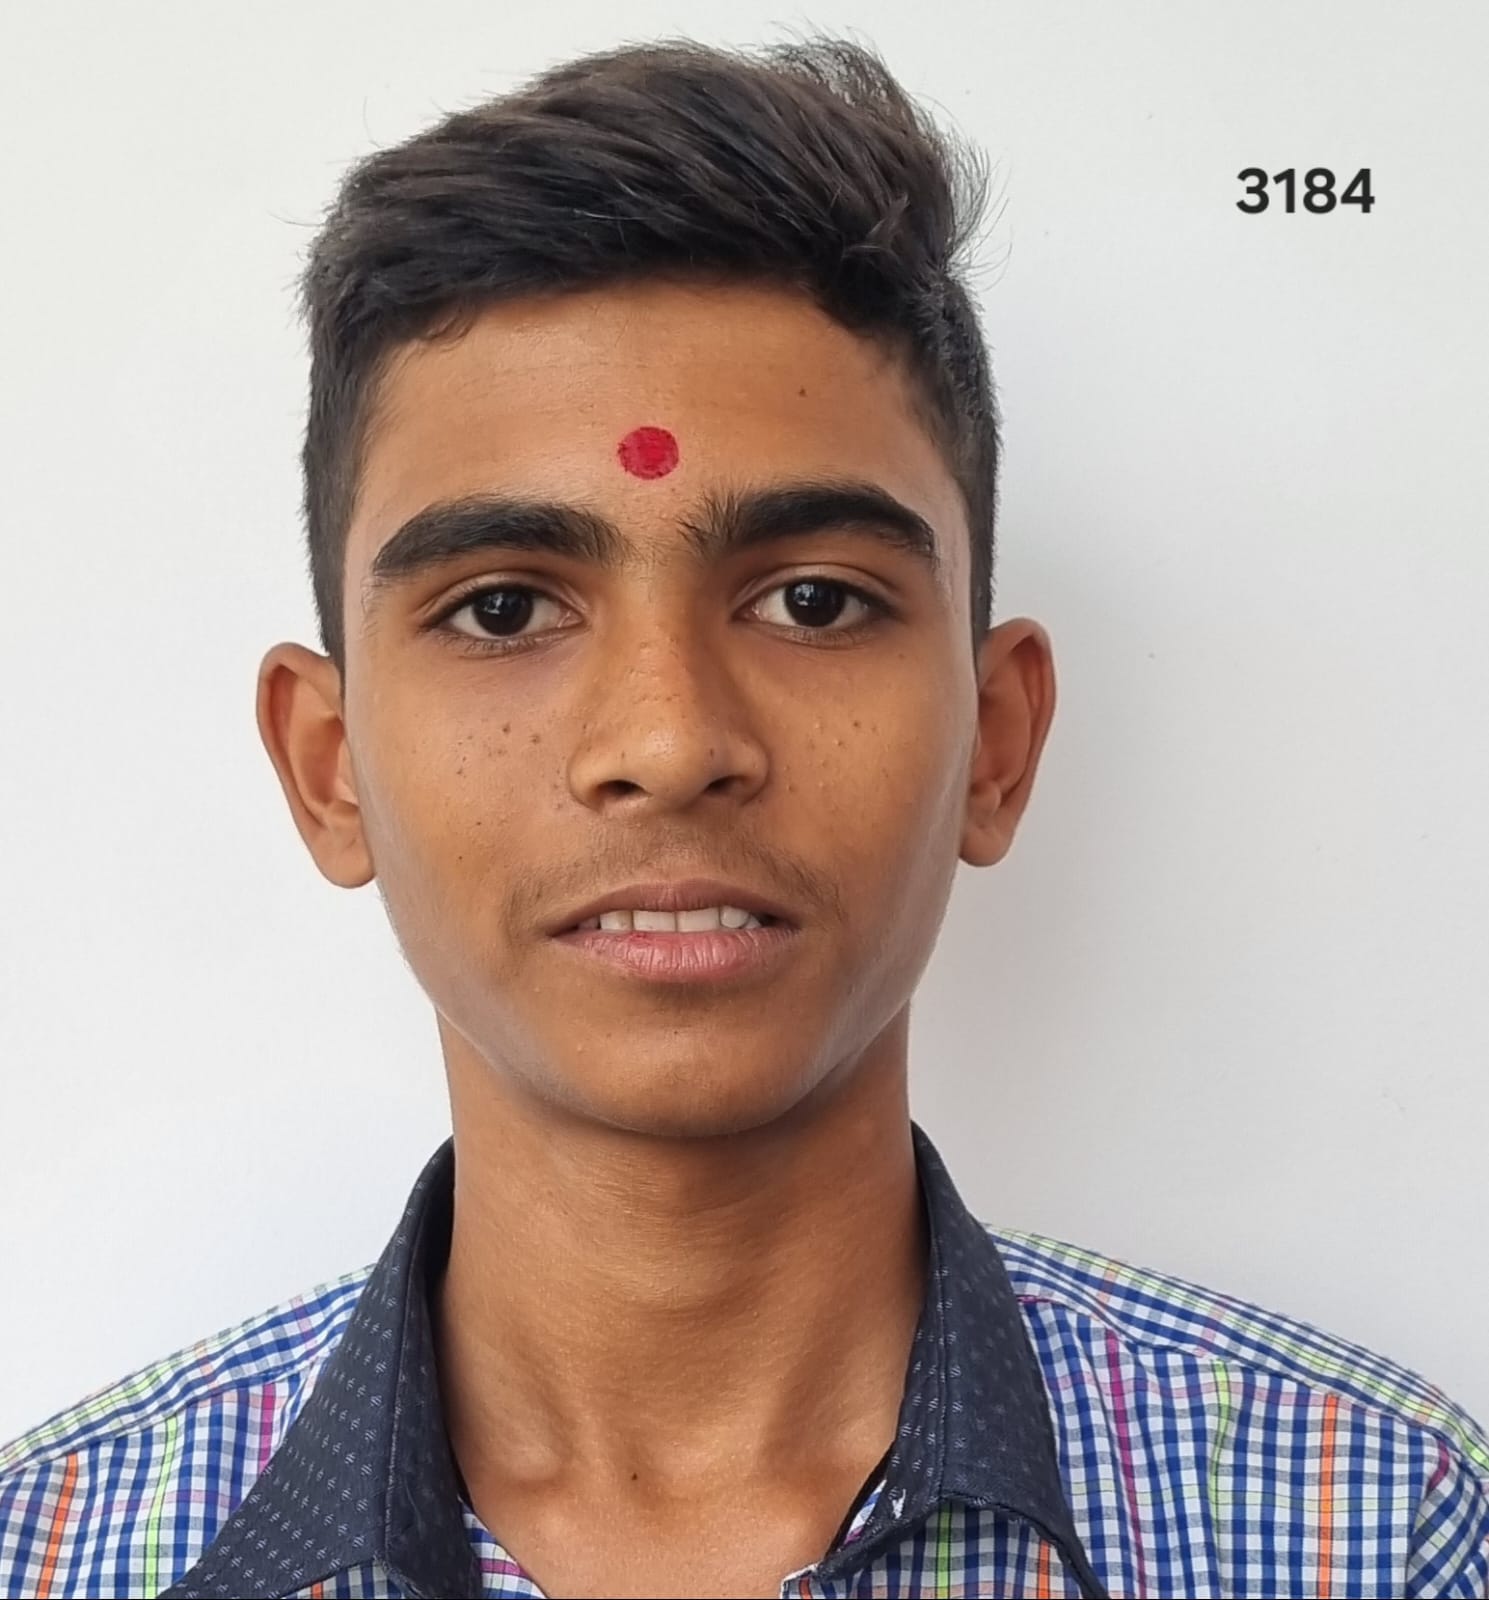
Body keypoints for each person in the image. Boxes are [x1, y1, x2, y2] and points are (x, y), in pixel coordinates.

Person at [1, 30, 1485, 1600]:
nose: (667, 742)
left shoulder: (1369, 1529)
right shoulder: (55, 1558)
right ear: (328, 766)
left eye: (813, 600)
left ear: (995, 741)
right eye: (504, 609)